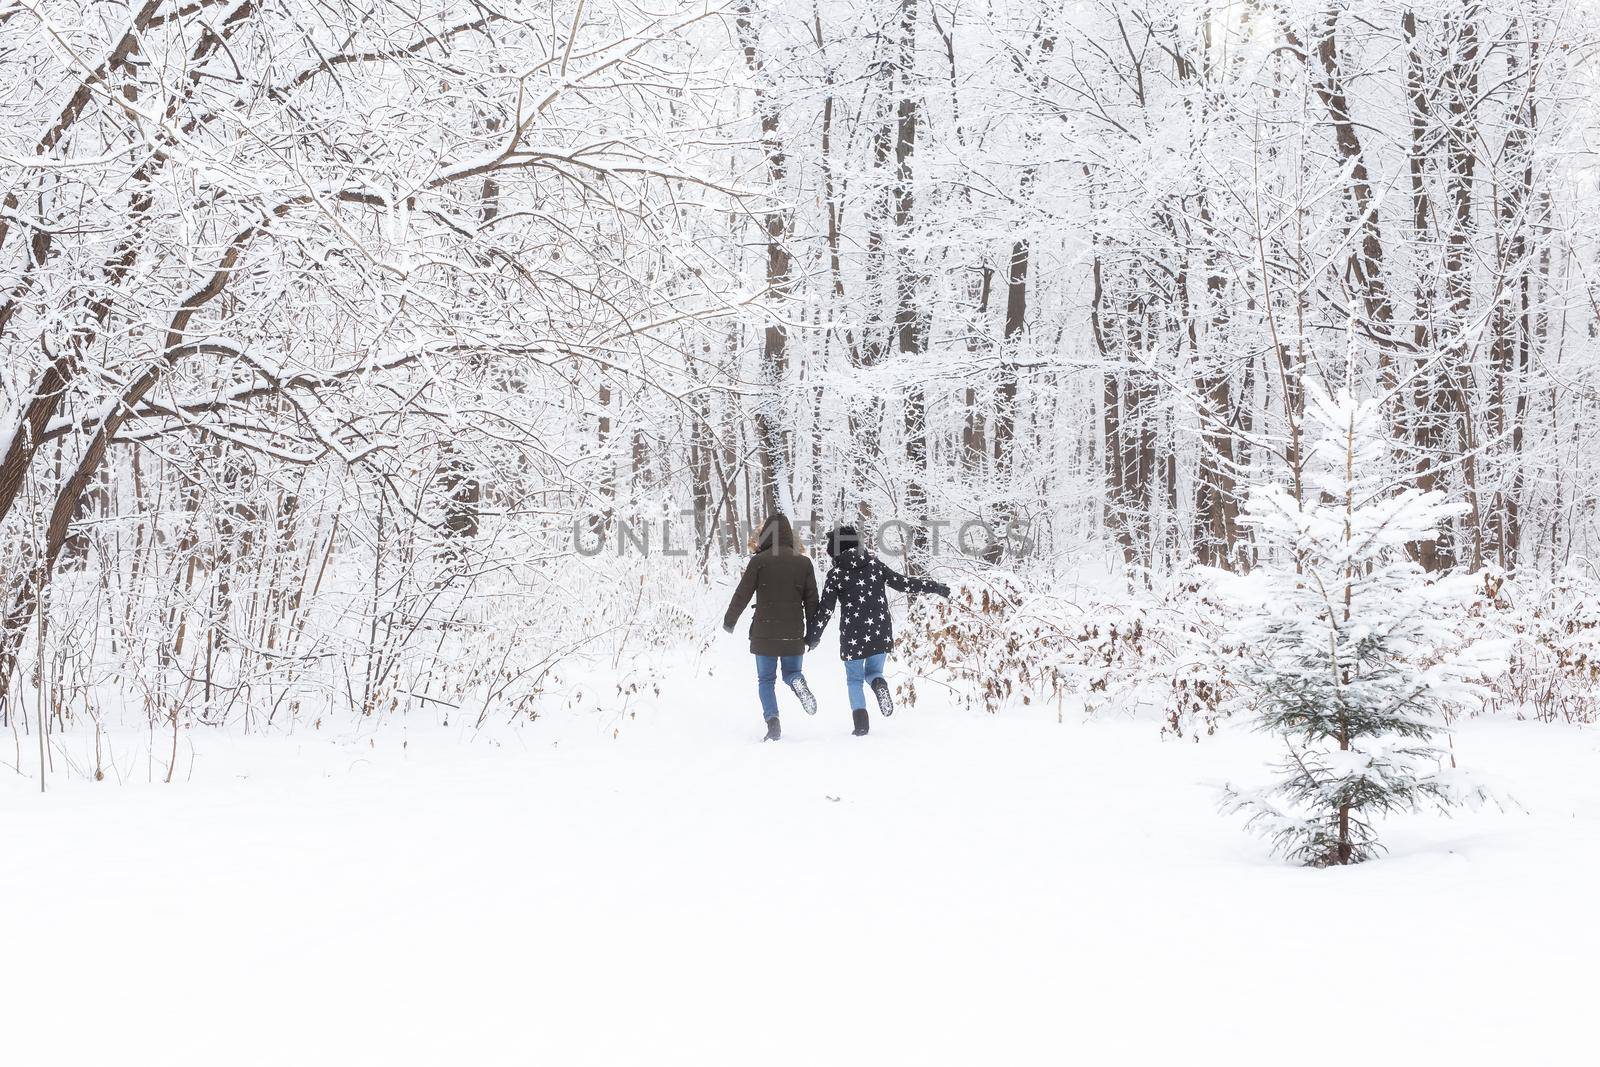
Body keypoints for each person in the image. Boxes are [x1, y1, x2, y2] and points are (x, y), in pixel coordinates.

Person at [806, 525, 950, 736]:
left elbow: (825, 610)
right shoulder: (875, 565)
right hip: (880, 631)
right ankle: (879, 683)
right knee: (874, 672)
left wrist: (812, 637)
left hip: (853, 636)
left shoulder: (836, 574)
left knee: (854, 679)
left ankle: (861, 725)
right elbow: (904, 584)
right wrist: (934, 586)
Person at [723, 513, 819, 741]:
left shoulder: (759, 561)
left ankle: (773, 723)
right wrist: (814, 634)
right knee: (792, 672)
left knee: (766, 680)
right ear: (789, 535)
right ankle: (796, 681)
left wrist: (730, 620)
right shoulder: (803, 562)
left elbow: (742, 593)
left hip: (764, 633)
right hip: (793, 633)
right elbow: (812, 601)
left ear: (766, 534)